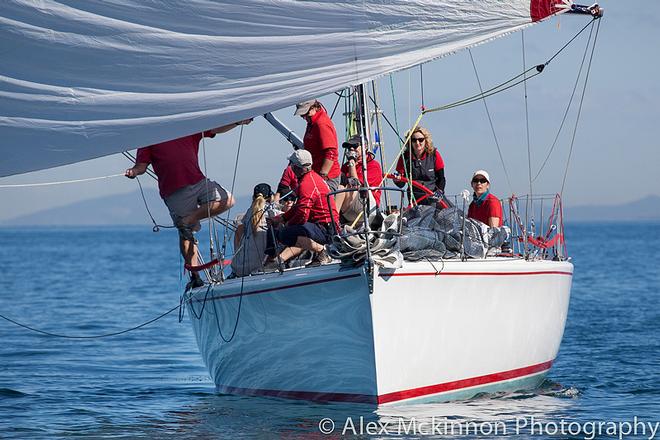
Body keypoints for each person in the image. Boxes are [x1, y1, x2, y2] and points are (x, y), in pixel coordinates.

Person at [125, 119, 252, 289]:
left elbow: (215, 127)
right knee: (187, 233)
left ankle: (188, 219)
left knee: (228, 200)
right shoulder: (150, 137)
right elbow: (141, 166)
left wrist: (238, 123)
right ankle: (195, 276)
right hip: (174, 192)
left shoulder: (185, 126)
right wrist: (134, 172)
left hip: (198, 182)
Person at [266, 149, 338, 267]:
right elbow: (300, 207)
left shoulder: (307, 184)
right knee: (283, 230)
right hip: (327, 225)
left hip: (325, 228)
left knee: (285, 234)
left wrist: (287, 225)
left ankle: (322, 251)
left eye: (291, 165)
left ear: (296, 168)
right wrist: (282, 218)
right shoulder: (313, 178)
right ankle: (321, 252)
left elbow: (303, 214)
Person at [294, 100, 341, 192]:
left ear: (314, 107)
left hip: (327, 177)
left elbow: (331, 152)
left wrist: (322, 177)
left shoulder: (321, 124)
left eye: (305, 113)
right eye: (302, 115)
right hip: (317, 174)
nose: (304, 117)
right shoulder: (312, 123)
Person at [232, 183, 277, 277]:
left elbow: (238, 221)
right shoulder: (272, 213)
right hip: (258, 268)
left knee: (239, 230)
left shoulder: (249, 213)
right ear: (270, 197)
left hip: (239, 268)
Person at [394, 126, 446, 205]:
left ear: (426, 141)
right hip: (415, 201)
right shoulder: (405, 158)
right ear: (410, 142)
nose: (417, 143)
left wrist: (440, 191)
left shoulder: (434, 155)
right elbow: (401, 184)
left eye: (420, 140)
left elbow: (441, 178)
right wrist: (397, 180)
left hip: (433, 199)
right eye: (414, 140)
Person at [339, 134, 383, 224]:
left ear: (365, 147)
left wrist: (351, 162)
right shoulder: (344, 167)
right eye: (349, 147)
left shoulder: (373, 166)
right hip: (348, 207)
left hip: (366, 207)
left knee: (340, 189)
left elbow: (356, 185)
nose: (351, 149)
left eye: (355, 146)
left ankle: (332, 222)